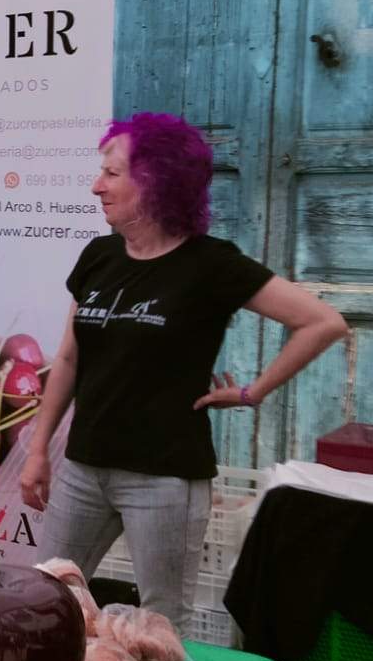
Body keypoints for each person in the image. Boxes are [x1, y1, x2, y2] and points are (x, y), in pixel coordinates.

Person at [20, 113, 347, 624]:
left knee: (160, 624)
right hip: (84, 468)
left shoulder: (211, 265)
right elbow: (68, 358)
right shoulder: (99, 256)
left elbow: (322, 323)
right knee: (44, 602)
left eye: (111, 173)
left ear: (155, 182)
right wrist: (39, 449)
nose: (96, 186)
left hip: (164, 479)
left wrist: (253, 391)